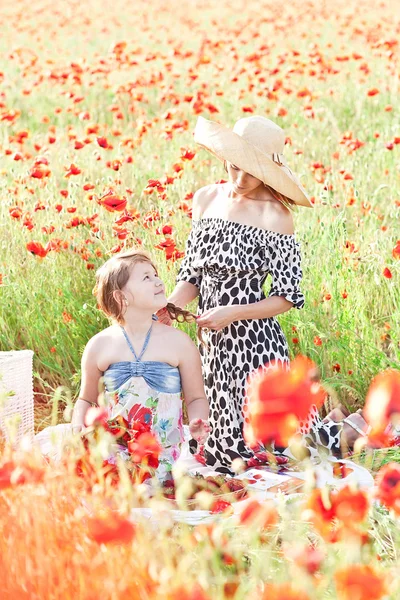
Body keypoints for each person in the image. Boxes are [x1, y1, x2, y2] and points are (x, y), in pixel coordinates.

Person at [158, 115, 368, 473]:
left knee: (271, 455)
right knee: (221, 454)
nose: (239, 178)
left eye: (250, 172)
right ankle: (335, 425)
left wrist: (231, 312)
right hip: (213, 344)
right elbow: (192, 275)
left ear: (267, 172)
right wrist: (171, 305)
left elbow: (286, 297)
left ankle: (343, 430)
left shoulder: (277, 217)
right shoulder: (205, 199)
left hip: (255, 343)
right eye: (234, 166)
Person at [37, 249, 210, 482]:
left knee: (154, 488)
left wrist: (199, 421)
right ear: (121, 297)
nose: (158, 280)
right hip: (113, 449)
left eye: (155, 274)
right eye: (146, 277)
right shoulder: (100, 345)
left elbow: (196, 398)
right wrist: (78, 426)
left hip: (162, 452)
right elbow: (86, 399)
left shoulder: (178, 343)